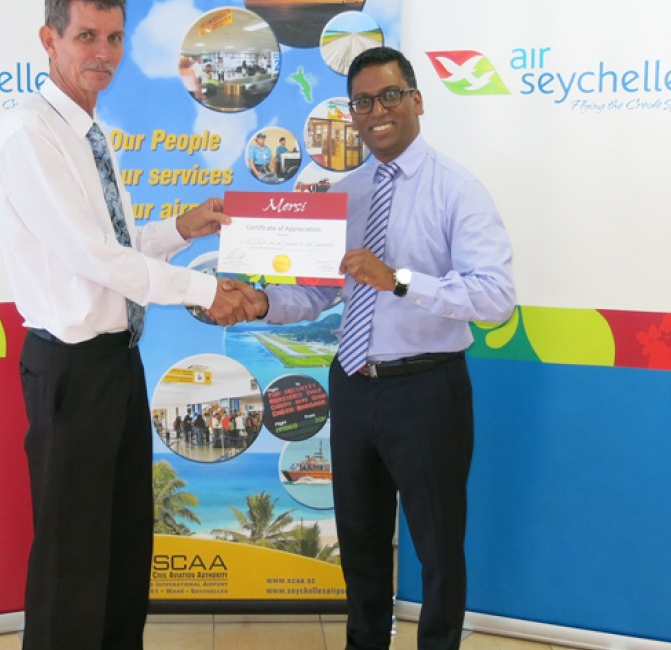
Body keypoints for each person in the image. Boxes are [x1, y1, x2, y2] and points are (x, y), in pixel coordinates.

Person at [0, 1, 258, 648]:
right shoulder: (31, 134)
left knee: (122, 543)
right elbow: (91, 256)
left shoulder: (94, 131)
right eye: (86, 37)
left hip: (116, 363)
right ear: (48, 40)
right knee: (71, 560)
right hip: (70, 369)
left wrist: (180, 229)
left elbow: (118, 242)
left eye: (114, 37)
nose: (103, 52)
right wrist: (204, 290)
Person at [236, 46, 515, 649]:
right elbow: (312, 294)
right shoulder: (346, 192)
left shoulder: (459, 191)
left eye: (389, 95)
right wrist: (259, 304)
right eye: (362, 102)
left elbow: (496, 299)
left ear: (416, 100)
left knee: (438, 548)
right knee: (360, 546)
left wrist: (401, 280)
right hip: (354, 386)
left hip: (427, 390)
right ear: (353, 115)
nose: (376, 111)